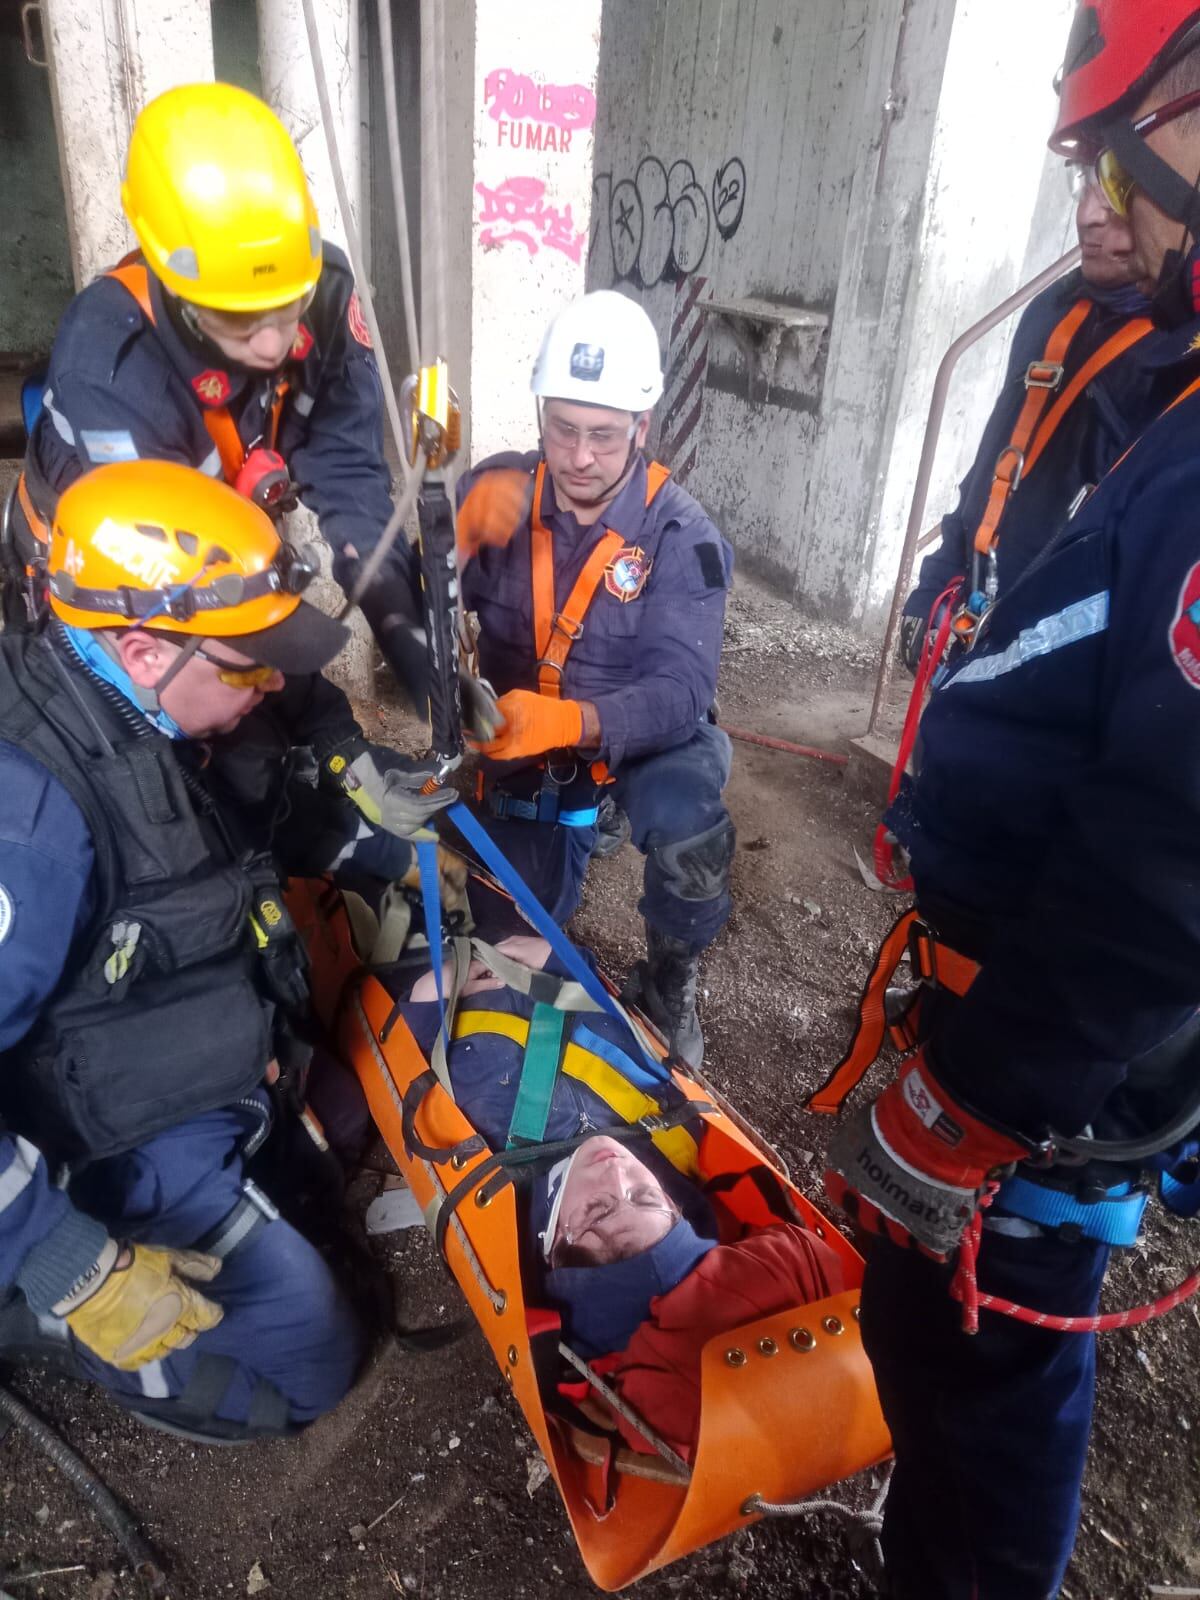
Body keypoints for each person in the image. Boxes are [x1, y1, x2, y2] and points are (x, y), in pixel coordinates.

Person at [822, 4, 1200, 1592]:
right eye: (1084, 164)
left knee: (987, 1341)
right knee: (951, 1342)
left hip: (1054, 1070)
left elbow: (1166, 857)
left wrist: (977, 1096)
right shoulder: (1153, 377)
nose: (1094, 204)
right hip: (1040, 1020)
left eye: (1124, 155)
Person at [0, 459, 461, 1442]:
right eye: (249, 661)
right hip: (113, 1131)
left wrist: (355, 779)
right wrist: (61, 1258)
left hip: (192, 1056)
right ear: (140, 646)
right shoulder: (31, 823)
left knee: (363, 1106)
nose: (275, 680)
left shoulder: (136, 702)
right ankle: (40, 1312)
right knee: (316, 1355)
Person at [0, 80, 478, 807]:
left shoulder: (319, 283)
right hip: (102, 596)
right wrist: (329, 739)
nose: (273, 341)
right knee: (170, 791)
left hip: (218, 557)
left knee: (263, 753)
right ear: (174, 283)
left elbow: (346, 469)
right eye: (237, 321)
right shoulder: (112, 368)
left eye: (284, 308)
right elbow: (183, 617)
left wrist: (400, 624)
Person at [390, 925, 847, 1464]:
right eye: (649, 1201)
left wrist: (436, 988)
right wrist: (561, 959)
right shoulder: (672, 1135)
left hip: (428, 975)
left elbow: (406, 1052)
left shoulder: (484, 1149)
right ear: (677, 1205)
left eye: (598, 1212)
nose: (618, 1175)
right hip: (524, 951)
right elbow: (616, 1019)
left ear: (551, 1246)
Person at [454, 290, 736, 1068]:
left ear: (643, 429)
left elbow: (680, 692)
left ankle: (670, 979)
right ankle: (572, 828)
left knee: (688, 828)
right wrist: (439, 550)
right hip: (523, 741)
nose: (579, 457)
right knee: (512, 941)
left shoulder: (682, 538)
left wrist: (571, 723)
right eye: (563, 429)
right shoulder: (500, 495)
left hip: (638, 742)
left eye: (605, 437)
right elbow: (420, 615)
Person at [900, 167, 1161, 669]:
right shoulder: (1053, 310)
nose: (1087, 215)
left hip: (1078, 662)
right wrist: (938, 581)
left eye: (1117, 190)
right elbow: (993, 470)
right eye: (1087, 182)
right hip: (986, 632)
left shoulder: (1179, 356)